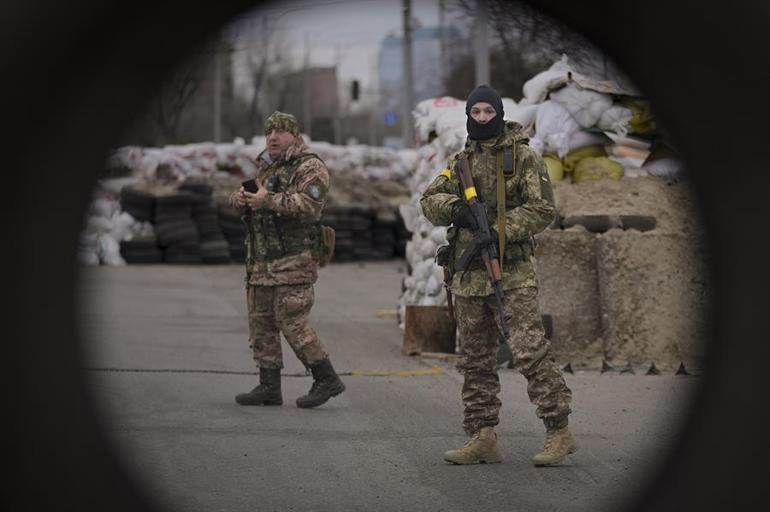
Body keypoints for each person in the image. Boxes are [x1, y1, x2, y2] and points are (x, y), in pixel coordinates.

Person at [420, 85, 576, 466]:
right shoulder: (461, 159)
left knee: (529, 352)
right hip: (469, 275)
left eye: (489, 112)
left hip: (513, 274)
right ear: (469, 116)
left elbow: (542, 209)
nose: (483, 119)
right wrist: (456, 208)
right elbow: (429, 199)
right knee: (475, 360)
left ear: (500, 114)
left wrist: (499, 227)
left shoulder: (521, 157)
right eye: (477, 113)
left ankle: (559, 430)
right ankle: (482, 435)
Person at [229, 110, 345, 409]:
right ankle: (269, 386)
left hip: (293, 260)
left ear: (294, 135)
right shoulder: (267, 166)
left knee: (292, 322)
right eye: (269, 131)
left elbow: (310, 205)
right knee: (262, 323)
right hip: (261, 261)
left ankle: (326, 378)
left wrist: (266, 199)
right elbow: (255, 199)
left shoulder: (310, 166)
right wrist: (241, 200)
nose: (272, 137)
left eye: (280, 131)